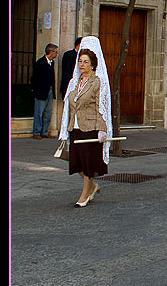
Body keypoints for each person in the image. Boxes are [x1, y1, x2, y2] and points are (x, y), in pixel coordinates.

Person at [58, 37, 112, 207]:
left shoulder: (98, 82)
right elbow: (69, 106)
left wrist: (103, 129)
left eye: (85, 62)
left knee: (88, 163)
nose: (81, 65)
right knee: (76, 162)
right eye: (80, 61)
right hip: (74, 126)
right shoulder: (75, 81)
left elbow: (102, 107)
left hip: (90, 127)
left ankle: (84, 195)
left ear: (92, 64)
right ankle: (93, 187)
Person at [31, 43, 58, 139]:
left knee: (48, 112)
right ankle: (36, 131)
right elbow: (34, 78)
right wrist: (34, 90)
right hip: (41, 91)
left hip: (50, 90)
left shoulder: (52, 63)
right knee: (39, 112)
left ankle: (44, 131)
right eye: (55, 52)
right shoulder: (40, 62)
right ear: (50, 52)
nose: (56, 54)